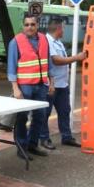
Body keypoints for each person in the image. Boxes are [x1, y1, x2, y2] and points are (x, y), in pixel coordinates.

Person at [7, 14, 54, 160]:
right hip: (24, 86)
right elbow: (11, 67)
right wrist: (15, 88)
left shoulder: (44, 39)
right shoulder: (16, 42)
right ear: (23, 26)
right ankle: (21, 146)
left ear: (37, 25)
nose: (30, 27)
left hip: (41, 85)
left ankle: (33, 144)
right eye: (27, 24)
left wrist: (52, 83)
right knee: (22, 117)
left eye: (32, 24)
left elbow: (49, 62)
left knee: (40, 116)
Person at [38, 18, 86, 149]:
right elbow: (56, 60)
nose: (64, 30)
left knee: (65, 111)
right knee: (45, 113)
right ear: (58, 28)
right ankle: (44, 138)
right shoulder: (47, 41)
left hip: (62, 84)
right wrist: (77, 58)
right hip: (50, 85)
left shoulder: (57, 42)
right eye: (63, 28)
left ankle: (66, 137)